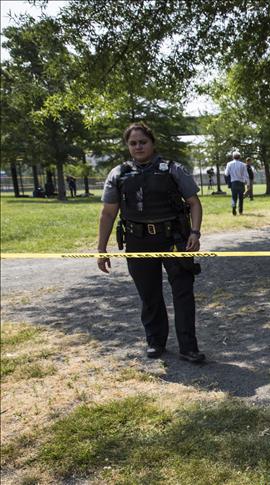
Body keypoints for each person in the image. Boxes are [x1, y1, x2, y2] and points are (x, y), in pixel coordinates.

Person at [96, 121, 205, 363]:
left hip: (174, 240)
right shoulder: (118, 174)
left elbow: (194, 203)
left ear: (152, 143)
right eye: (133, 143)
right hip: (138, 241)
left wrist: (195, 233)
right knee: (149, 294)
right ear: (128, 146)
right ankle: (155, 342)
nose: (138, 147)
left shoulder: (173, 170)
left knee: (183, 293)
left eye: (143, 142)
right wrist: (101, 249)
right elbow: (108, 213)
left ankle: (188, 347)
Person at [224, 151, 249, 215]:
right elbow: (246, 175)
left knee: (233, 197)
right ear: (239, 157)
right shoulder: (243, 165)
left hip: (233, 182)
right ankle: (240, 211)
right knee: (241, 197)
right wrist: (248, 184)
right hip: (241, 183)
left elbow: (226, 173)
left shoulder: (229, 164)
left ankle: (233, 207)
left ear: (233, 157)